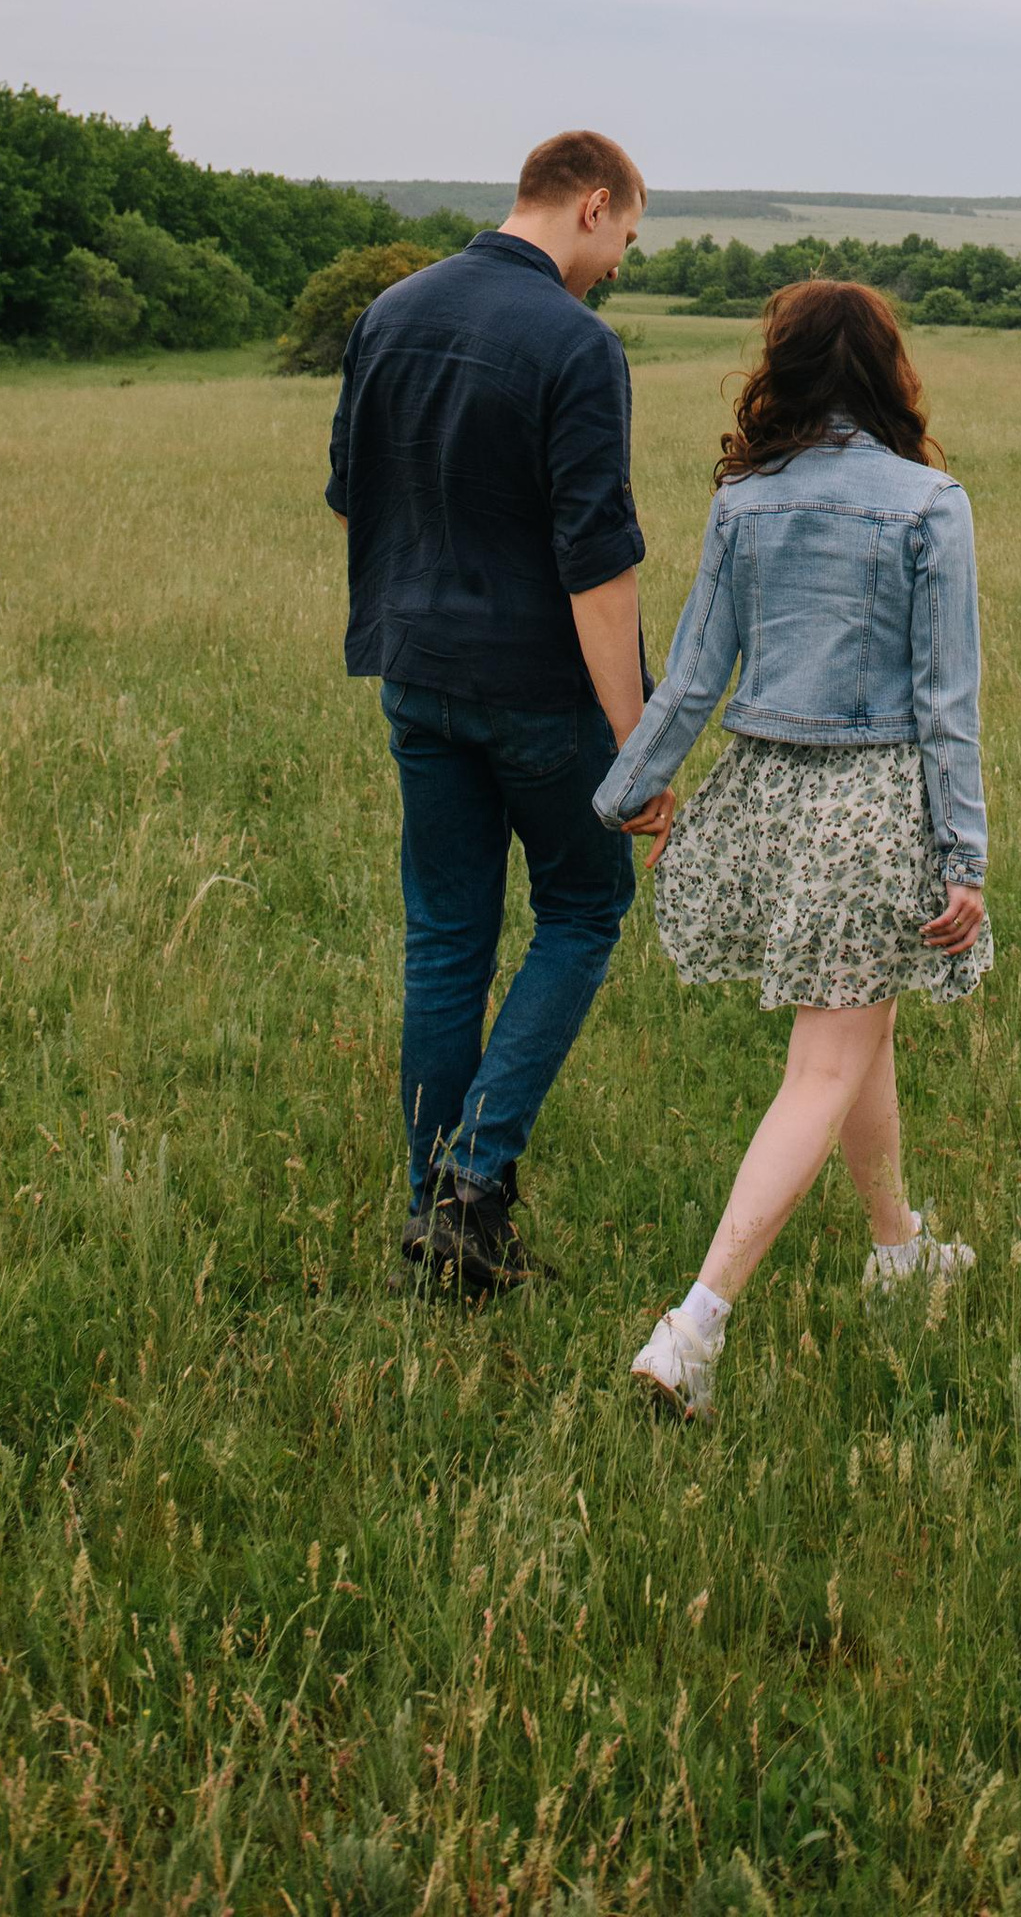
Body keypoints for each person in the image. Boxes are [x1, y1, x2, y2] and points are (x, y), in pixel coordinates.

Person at [594, 279, 991, 1418]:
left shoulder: (745, 500)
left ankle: (897, 1246)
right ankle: (693, 1329)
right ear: (888, 371)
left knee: (857, 1028)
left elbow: (692, 673)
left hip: (767, 803)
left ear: (785, 370)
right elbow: (946, 702)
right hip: (872, 813)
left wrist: (627, 791)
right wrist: (963, 855)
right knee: (823, 1065)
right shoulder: (930, 503)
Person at [327, 128, 671, 1295]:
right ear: (591, 205)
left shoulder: (390, 311)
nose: (617, 263)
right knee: (582, 909)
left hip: (415, 673)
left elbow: (352, 498)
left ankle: (439, 1222)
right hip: (540, 690)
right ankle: (471, 1183)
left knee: (445, 940)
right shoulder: (577, 343)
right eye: (626, 237)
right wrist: (638, 738)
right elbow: (598, 563)